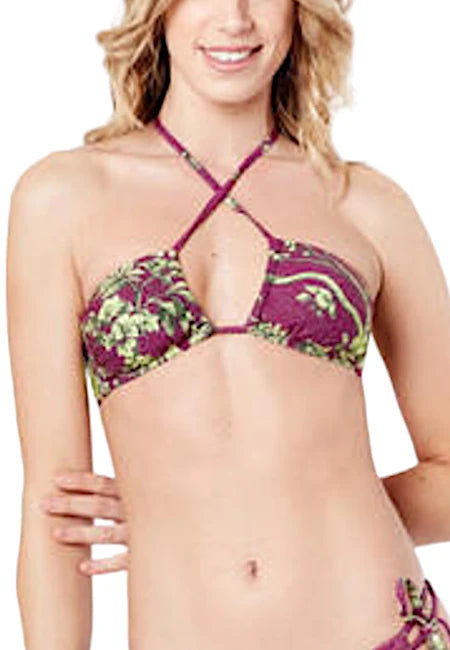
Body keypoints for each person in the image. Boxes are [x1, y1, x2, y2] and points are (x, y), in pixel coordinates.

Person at [6, 0, 450, 647]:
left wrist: (262, 509)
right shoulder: (60, 200)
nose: (235, 18)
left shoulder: (368, 206)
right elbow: (54, 510)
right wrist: (186, 514)